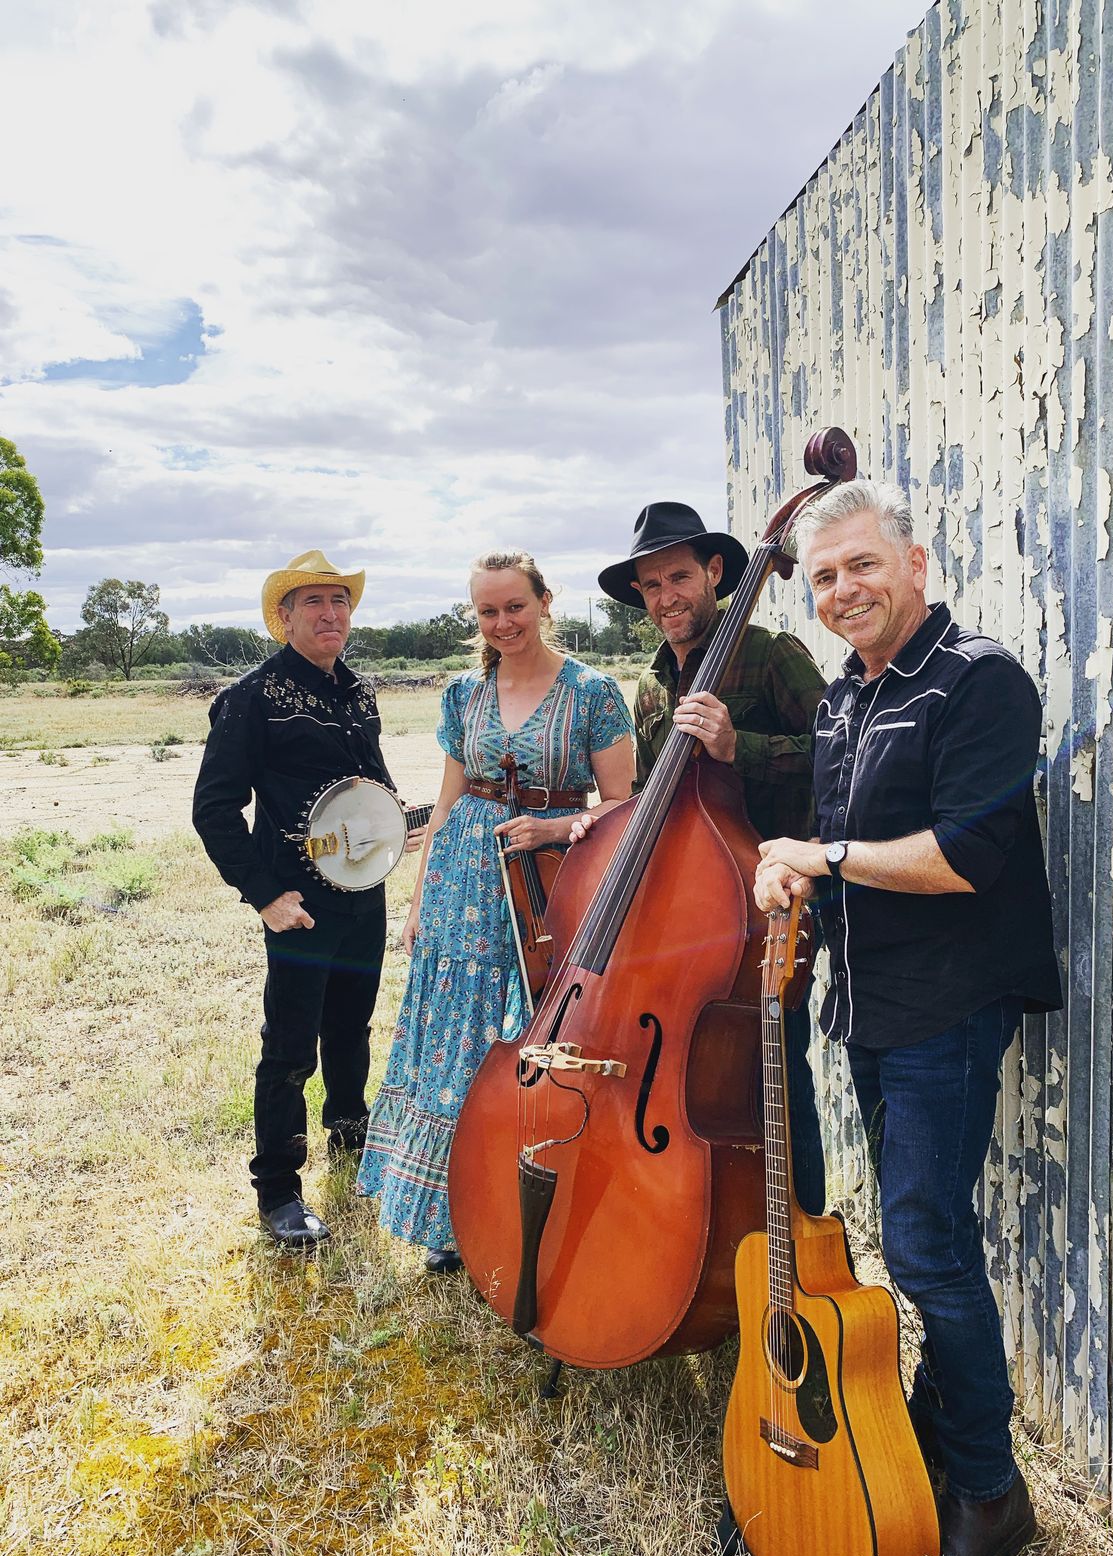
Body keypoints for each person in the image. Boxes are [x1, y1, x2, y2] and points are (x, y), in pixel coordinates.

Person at [753, 479, 1063, 1556]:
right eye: (824, 576)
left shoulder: (977, 681)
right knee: (914, 1233)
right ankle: (931, 1430)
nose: (843, 589)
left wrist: (824, 856)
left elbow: (964, 856)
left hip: (949, 1003)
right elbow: (836, 848)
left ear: (915, 564)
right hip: (871, 1003)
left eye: (861, 564)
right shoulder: (842, 698)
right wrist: (789, 878)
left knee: (926, 1247)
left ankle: (988, 1488)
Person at [357, 550, 635, 1270]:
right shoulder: (463, 694)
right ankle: (448, 1216)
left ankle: (520, 1205)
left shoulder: (593, 693)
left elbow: (623, 808)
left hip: (547, 886)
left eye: (515, 606)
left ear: (544, 602)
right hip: (460, 888)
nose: (504, 622)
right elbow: (446, 805)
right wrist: (418, 903)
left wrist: (553, 827)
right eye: (489, 611)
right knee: (454, 1039)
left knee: (531, 1034)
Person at [572, 500, 829, 1214]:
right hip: (685, 915)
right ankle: (710, 1226)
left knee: (778, 1079)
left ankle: (804, 1230)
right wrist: (596, 828)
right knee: (690, 1080)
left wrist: (737, 746)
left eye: (679, 577)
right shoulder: (652, 683)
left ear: (715, 571)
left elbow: (840, 757)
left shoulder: (771, 655)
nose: (667, 598)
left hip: (765, 909)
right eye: (652, 586)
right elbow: (653, 801)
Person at [193, 550, 416, 1251]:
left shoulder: (359, 692)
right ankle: (279, 1189)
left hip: (363, 893)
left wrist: (393, 827)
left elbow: (371, 785)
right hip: (298, 902)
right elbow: (214, 808)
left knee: (352, 1025)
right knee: (290, 1046)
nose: (330, 613)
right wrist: (264, 896)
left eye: (339, 601)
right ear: (284, 618)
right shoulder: (252, 697)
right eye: (313, 602)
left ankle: (351, 1133)